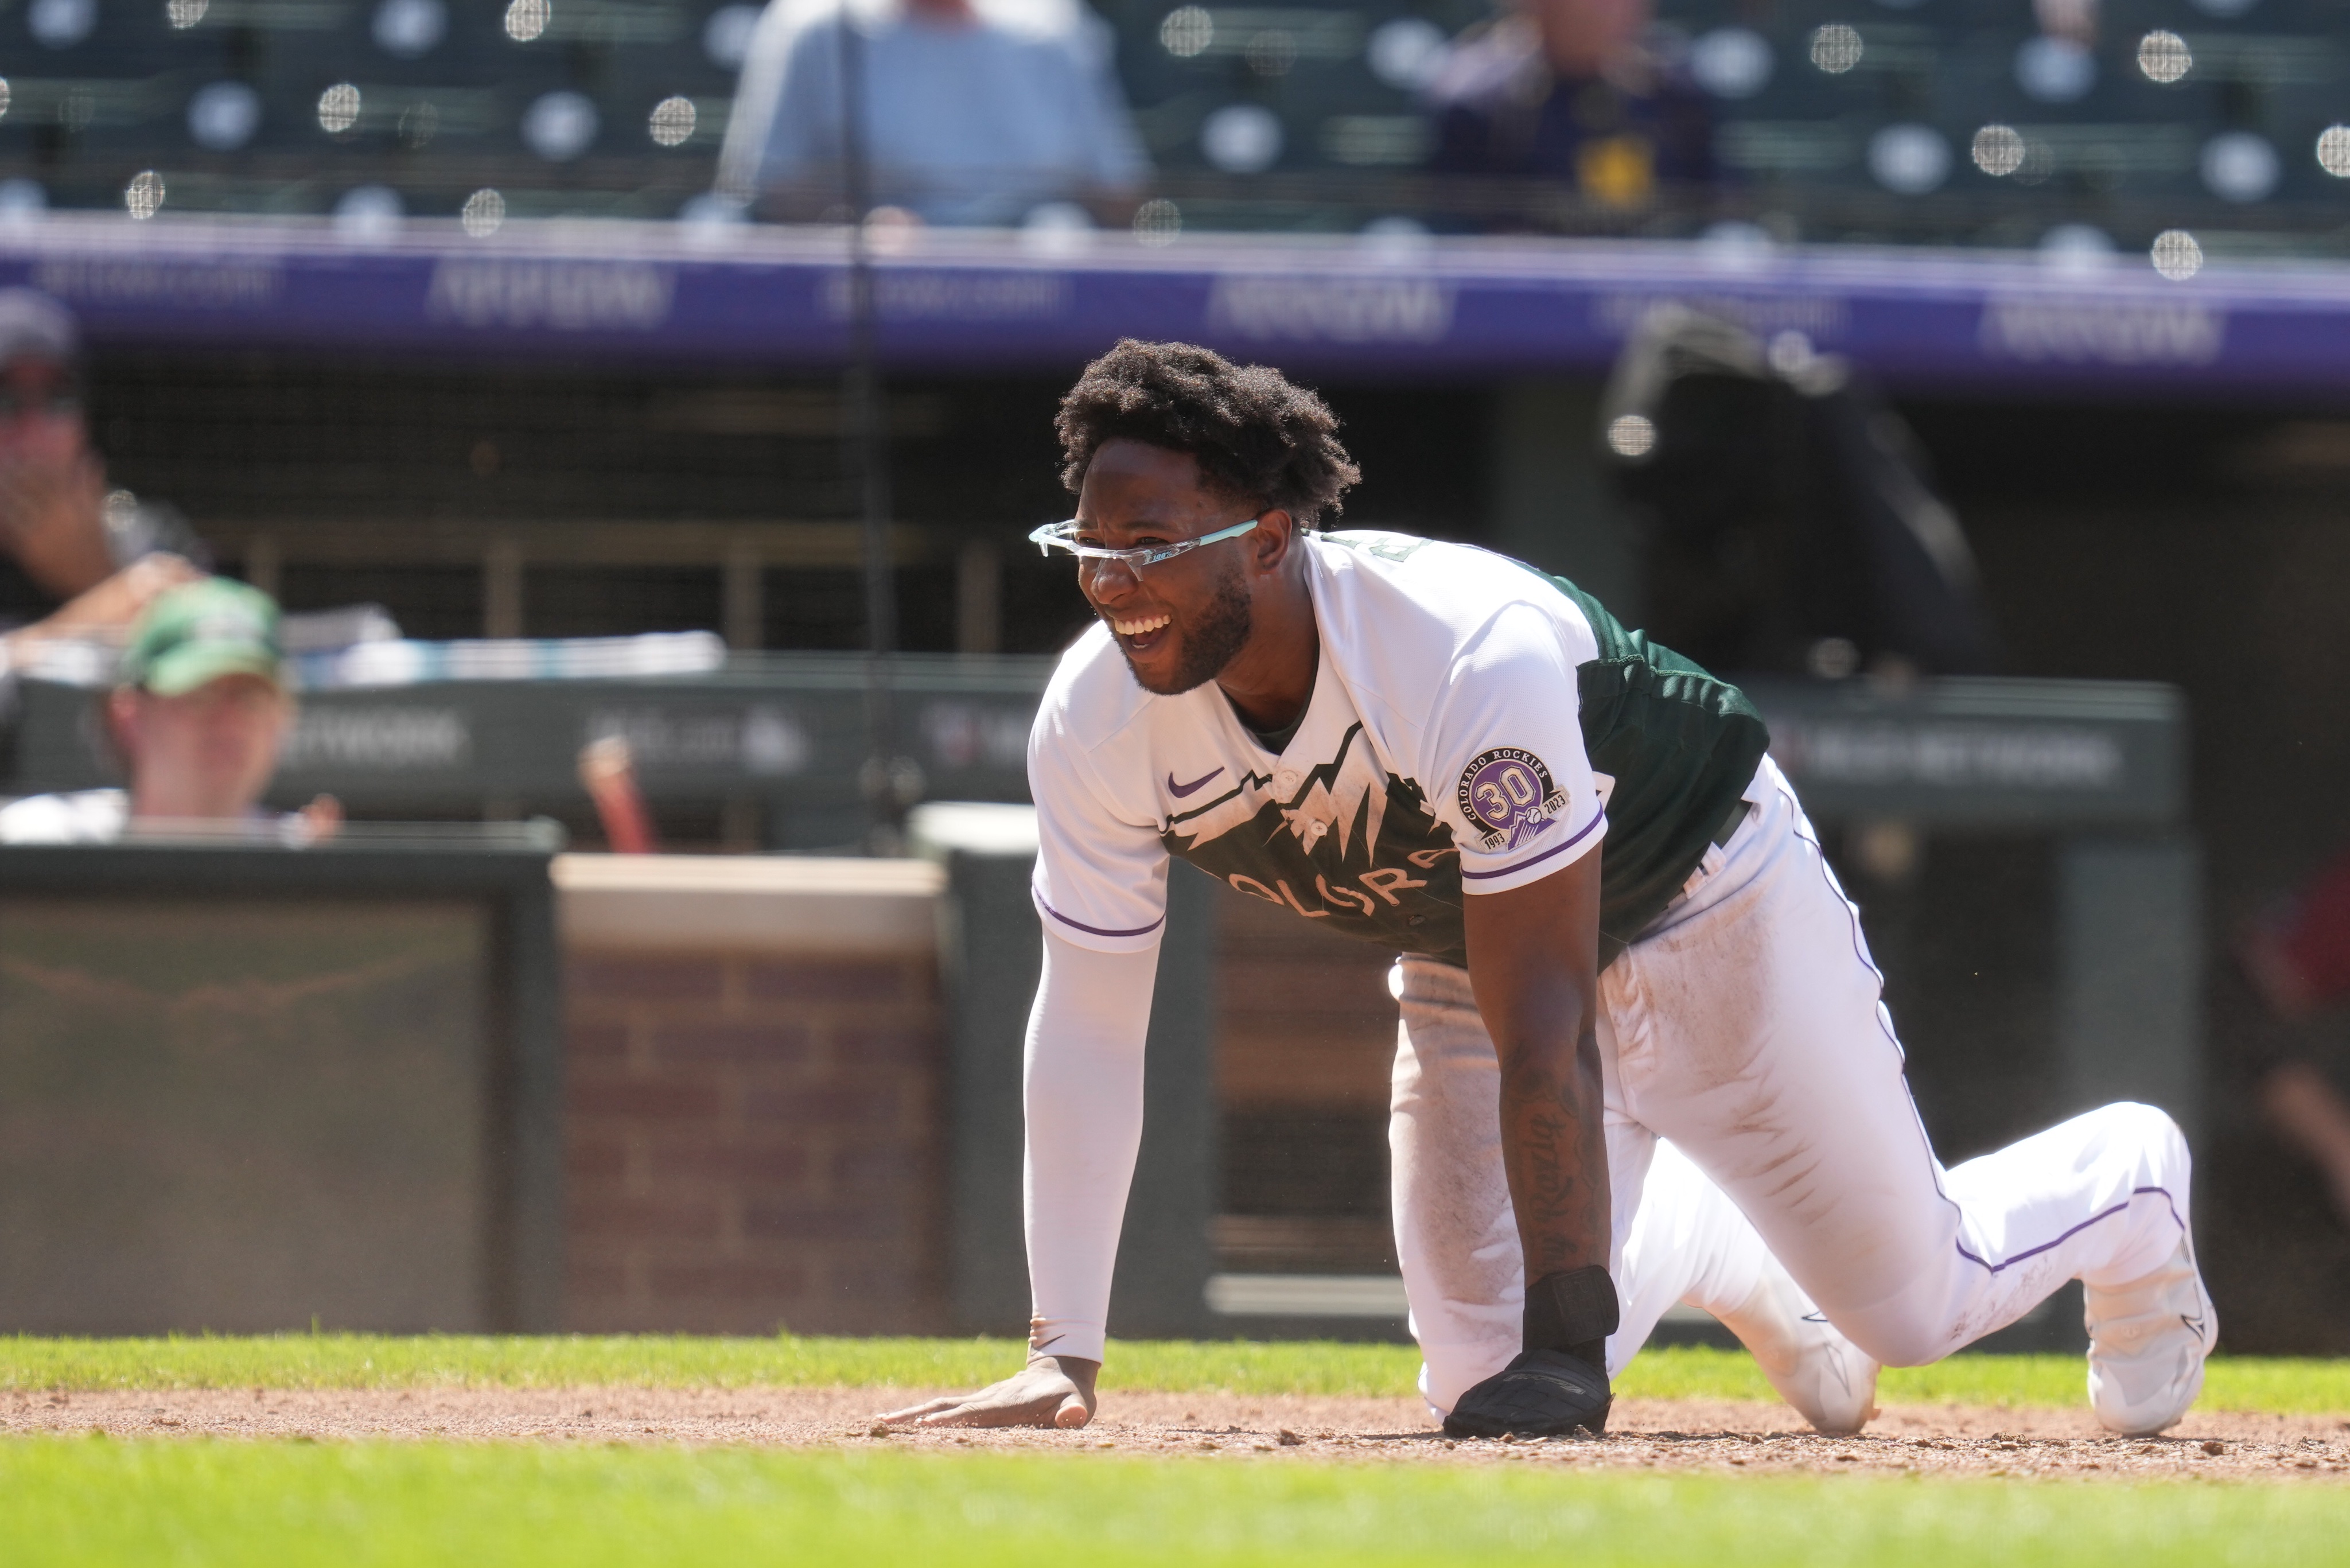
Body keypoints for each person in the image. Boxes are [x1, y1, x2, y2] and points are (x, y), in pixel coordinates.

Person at [885, 340, 2213, 1440]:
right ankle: (1703, 1241)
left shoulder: (1464, 653)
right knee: (1479, 1384)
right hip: (1472, 958)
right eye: (1093, 547)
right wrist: (1062, 1347)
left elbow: (1551, 1020)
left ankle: (2132, 1183)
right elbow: (1089, 1026)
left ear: (1271, 538)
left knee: (1914, 1309)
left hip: (1702, 904)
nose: (1117, 585)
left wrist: (1575, 1338)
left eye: (1155, 543)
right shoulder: (1095, 719)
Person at [715, 0, 1149, 227]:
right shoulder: (813, 25)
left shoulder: (1053, 26)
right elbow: (768, 190)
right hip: (862, 309)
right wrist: (858, 223)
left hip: (1039, 283)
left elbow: (1118, 196)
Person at [0, 577, 336, 843]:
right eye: (200, 697)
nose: (229, 720)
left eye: (251, 701)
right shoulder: (43, 840)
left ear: (282, 721)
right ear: (129, 717)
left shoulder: (307, 864)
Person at [0, 289, 207, 674]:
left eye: (58, 400)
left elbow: (218, 676)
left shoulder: (144, 536)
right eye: (7, 400)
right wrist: (93, 611)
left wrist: (98, 573)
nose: (33, 430)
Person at [1423, 0, 1714, 211]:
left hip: (1654, 289)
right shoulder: (1477, 102)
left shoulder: (1674, 93)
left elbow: (1720, 204)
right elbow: (1454, 231)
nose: (1608, 9)